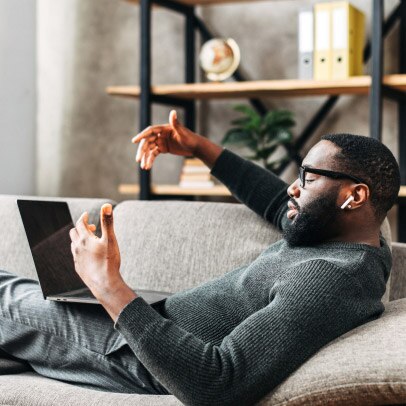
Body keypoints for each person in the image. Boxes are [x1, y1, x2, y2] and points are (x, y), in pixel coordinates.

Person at [0, 110, 400, 406]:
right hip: (143, 324)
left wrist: (108, 285)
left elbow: (217, 382)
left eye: (308, 179)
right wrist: (197, 147)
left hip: (129, 352)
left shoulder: (329, 280)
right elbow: (273, 198)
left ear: (355, 196)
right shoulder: (344, 235)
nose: (293, 190)